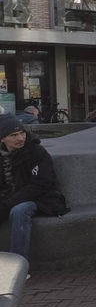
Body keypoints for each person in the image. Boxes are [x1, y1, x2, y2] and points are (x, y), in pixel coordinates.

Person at [0, 114, 70, 266]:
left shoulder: (36, 151)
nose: (20, 138)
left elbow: (41, 184)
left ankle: (18, 267)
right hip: (11, 198)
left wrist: (8, 204)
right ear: (2, 139)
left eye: (22, 133)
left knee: (19, 211)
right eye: (13, 135)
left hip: (42, 199)